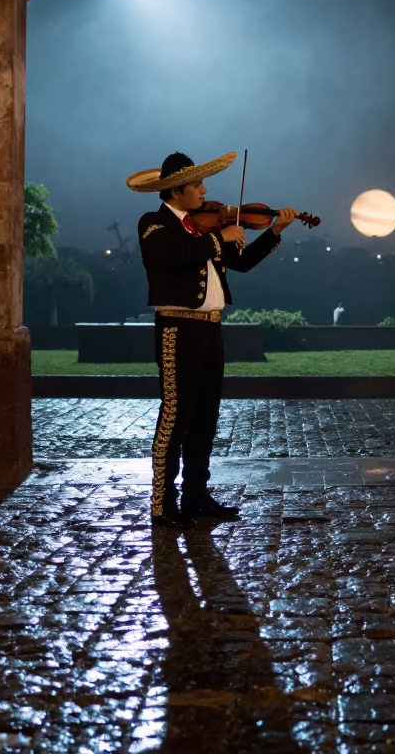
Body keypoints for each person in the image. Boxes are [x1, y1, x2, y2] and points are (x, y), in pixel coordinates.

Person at [128, 151, 295, 529]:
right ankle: (161, 503)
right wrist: (219, 237)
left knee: (205, 416)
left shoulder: (200, 227)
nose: (205, 191)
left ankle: (196, 495)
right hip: (177, 328)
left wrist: (273, 233)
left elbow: (242, 262)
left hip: (209, 328)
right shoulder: (154, 224)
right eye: (197, 185)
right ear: (177, 190)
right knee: (175, 415)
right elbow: (170, 257)